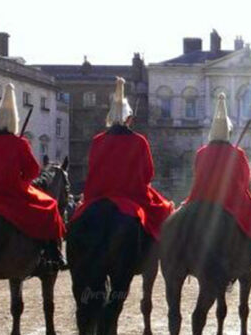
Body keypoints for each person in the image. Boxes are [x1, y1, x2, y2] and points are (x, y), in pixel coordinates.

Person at [0, 83, 66, 268]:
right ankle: (53, 253)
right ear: (14, 122)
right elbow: (33, 172)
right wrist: (20, 179)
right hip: (11, 192)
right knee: (50, 205)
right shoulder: (19, 143)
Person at [70, 77, 173, 244]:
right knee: (163, 211)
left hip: (99, 194)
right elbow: (148, 173)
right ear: (129, 118)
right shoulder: (139, 141)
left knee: (75, 217)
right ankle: (154, 255)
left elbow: (92, 168)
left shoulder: (98, 140)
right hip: (134, 195)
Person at [184, 93, 251, 276]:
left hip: (201, 198)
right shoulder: (237, 154)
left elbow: (197, 175)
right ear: (229, 133)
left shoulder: (201, 152)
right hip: (230, 201)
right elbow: (245, 180)